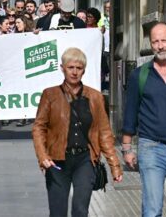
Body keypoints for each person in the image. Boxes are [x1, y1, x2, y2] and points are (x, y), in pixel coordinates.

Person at [33, 47, 123, 217]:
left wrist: (115, 166)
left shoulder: (95, 97)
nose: (74, 72)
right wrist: (43, 156)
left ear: (84, 70)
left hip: (85, 160)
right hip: (57, 161)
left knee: (80, 210)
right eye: (70, 67)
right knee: (58, 212)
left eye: (79, 68)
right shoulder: (50, 94)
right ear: (62, 68)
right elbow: (39, 128)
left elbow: (104, 132)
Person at [122, 22, 166, 217]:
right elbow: (130, 112)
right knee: (152, 210)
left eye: (164, 40)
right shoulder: (140, 75)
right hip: (151, 147)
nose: (160, 46)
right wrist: (127, 148)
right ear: (151, 44)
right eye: (155, 41)